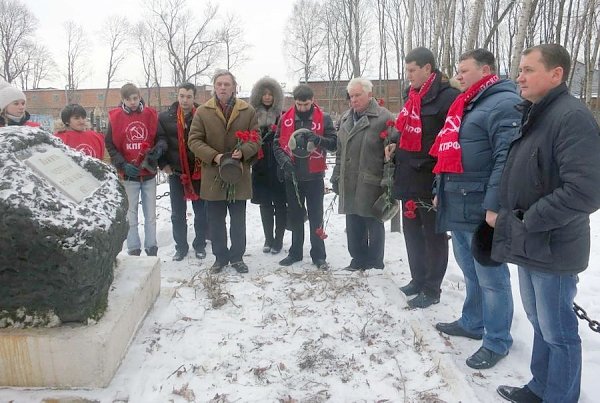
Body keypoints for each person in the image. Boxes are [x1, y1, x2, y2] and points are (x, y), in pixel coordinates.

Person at [493, 44, 600, 403]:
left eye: (528, 69)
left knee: (559, 332)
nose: (518, 76)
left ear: (556, 74)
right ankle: (541, 388)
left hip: (553, 246)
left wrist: (528, 219)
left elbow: (585, 191)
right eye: (519, 68)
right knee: (541, 325)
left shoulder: (571, 116)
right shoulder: (535, 113)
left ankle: (560, 397)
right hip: (529, 241)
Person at [433, 49, 520, 369]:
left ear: (486, 70)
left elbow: (505, 159)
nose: (458, 76)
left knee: (492, 277)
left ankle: (497, 339)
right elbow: (449, 152)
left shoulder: (502, 103)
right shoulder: (467, 103)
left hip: (482, 207)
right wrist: (438, 190)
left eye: (464, 70)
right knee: (470, 272)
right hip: (458, 201)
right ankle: (473, 322)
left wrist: (493, 206)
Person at [385, 47, 460, 309]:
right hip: (407, 175)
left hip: (429, 178)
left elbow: (450, 139)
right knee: (412, 232)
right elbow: (404, 129)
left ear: (428, 68)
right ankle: (417, 279)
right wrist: (394, 142)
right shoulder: (412, 95)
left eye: (412, 70)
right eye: (407, 70)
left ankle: (432, 287)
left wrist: (442, 178)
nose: (408, 76)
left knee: (433, 235)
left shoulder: (448, 97)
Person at [188, 69, 258, 274]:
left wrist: (243, 152)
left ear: (234, 87)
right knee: (216, 221)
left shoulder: (248, 110)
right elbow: (194, 140)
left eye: (227, 84)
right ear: (214, 87)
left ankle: (237, 257)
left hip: (239, 175)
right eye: (219, 84)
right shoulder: (203, 111)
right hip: (213, 175)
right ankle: (220, 258)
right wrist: (214, 156)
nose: (223, 87)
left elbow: (256, 138)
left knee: (238, 220)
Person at [330, 77, 394, 272]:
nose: (354, 100)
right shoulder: (345, 118)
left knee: (373, 221)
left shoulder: (384, 118)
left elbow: (391, 154)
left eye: (358, 95)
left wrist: (388, 181)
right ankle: (357, 259)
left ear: (369, 94)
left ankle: (375, 262)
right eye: (351, 96)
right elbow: (340, 151)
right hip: (349, 179)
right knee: (353, 221)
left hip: (372, 180)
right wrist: (336, 176)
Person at [273, 84, 337, 270]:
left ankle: (318, 255)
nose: (302, 108)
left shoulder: (323, 119)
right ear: (295, 101)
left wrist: (318, 140)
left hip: (314, 176)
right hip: (292, 175)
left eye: (306, 104)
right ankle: (295, 252)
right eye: (299, 104)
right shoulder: (285, 118)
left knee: (316, 216)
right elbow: (277, 145)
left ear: (312, 101)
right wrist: (284, 162)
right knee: (295, 216)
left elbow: (334, 144)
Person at [105, 83, 163, 257]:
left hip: (148, 173)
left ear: (139, 97)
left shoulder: (150, 114)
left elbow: (160, 137)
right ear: (122, 99)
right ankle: (133, 248)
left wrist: (158, 149)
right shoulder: (115, 118)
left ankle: (152, 247)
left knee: (150, 215)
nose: (132, 102)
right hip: (129, 175)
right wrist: (121, 164)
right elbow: (110, 144)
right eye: (128, 99)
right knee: (131, 216)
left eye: (135, 98)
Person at [156, 83, 208, 262]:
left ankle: (200, 244)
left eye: (189, 97)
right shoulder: (165, 117)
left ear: (194, 98)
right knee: (178, 213)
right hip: (177, 172)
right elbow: (160, 140)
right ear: (177, 96)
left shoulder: (203, 114)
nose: (185, 100)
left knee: (201, 211)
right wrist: (163, 163)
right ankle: (181, 247)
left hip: (198, 172)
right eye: (182, 96)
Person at [248, 77, 287, 254]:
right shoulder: (252, 116)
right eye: (264, 94)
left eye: (270, 94)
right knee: (265, 203)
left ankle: (278, 240)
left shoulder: (282, 116)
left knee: (280, 203)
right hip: (261, 164)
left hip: (278, 164)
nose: (267, 97)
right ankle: (268, 239)